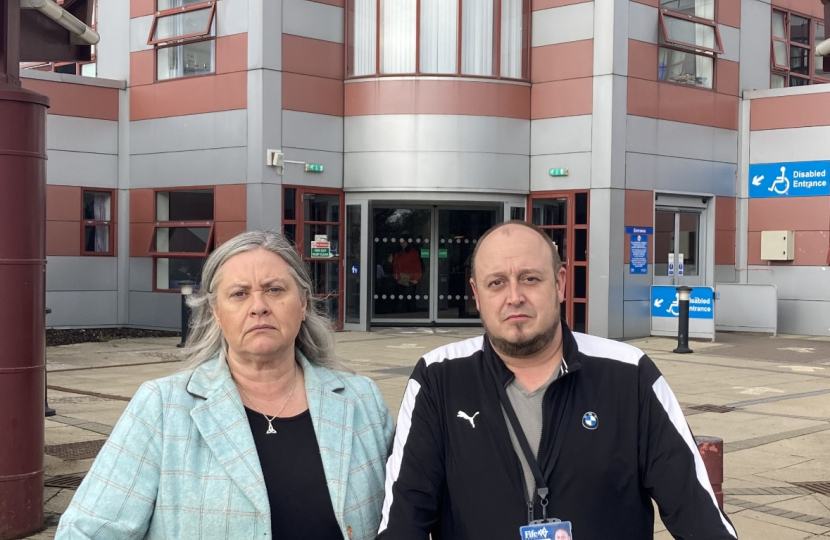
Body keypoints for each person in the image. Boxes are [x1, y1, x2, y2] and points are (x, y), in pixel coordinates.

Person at [377, 221, 738, 539]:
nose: (514, 296)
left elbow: (699, 516)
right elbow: (403, 519)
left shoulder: (629, 374)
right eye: (496, 283)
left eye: (530, 278)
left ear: (560, 283)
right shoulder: (438, 377)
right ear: (476, 294)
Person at [56, 231, 394, 540]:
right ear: (217, 313)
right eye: (239, 294)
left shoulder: (363, 402)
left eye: (275, 290)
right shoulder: (162, 407)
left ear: (303, 303)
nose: (259, 306)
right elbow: (86, 531)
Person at [392, 233, 422, 312]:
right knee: (404, 297)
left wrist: (416, 278)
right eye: (401, 241)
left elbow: (417, 265)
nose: (402, 243)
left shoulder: (413, 252)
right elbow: (395, 265)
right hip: (400, 277)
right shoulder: (398, 253)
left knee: (406, 297)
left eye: (404, 241)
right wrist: (395, 275)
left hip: (410, 277)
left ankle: (401, 311)